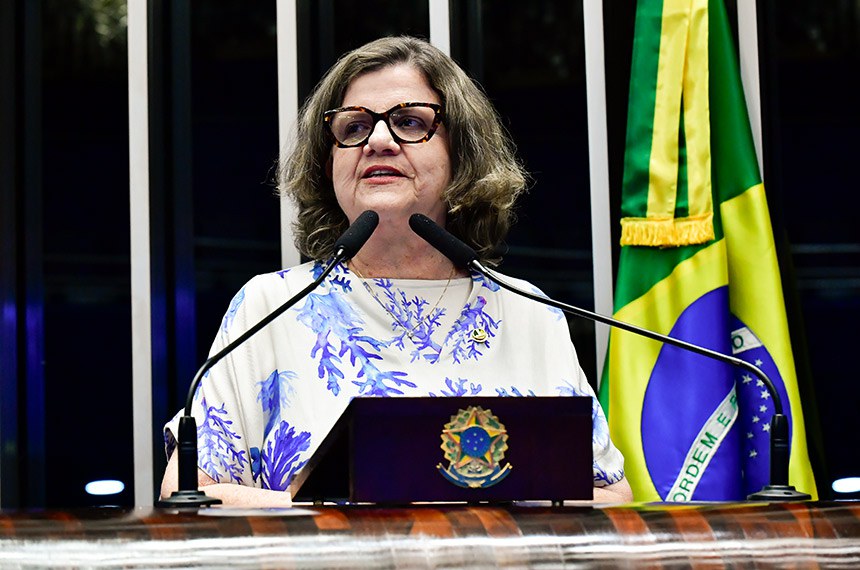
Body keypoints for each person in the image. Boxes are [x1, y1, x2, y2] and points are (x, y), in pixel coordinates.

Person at [161, 36, 633, 506]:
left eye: (409, 122)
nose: (378, 142)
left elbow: (610, 496)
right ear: (330, 164)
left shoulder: (528, 311)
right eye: (353, 129)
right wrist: (334, 509)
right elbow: (188, 496)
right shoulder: (271, 308)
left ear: (461, 154)